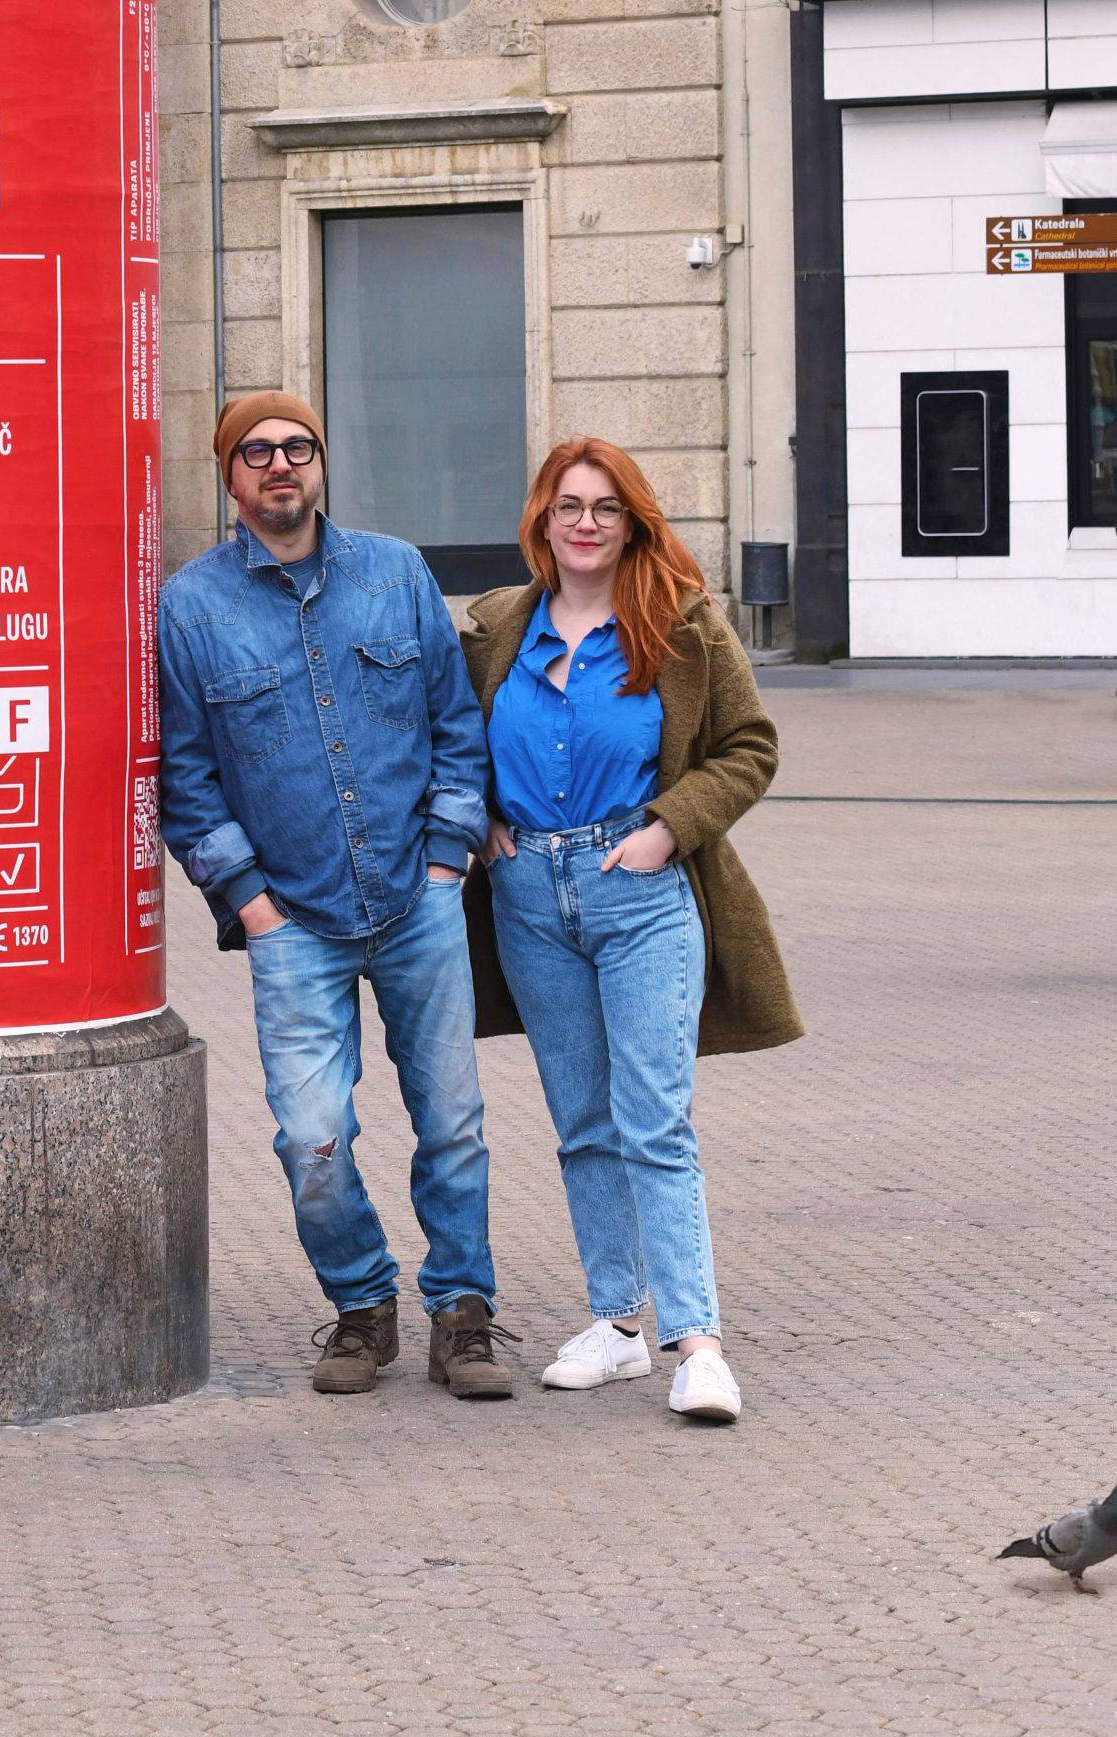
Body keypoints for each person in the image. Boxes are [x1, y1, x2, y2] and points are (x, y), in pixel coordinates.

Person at [158, 389, 509, 1400]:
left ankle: (463, 1315)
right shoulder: (193, 606)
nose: (281, 465)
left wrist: (447, 860)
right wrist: (252, 906)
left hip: (416, 899)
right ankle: (362, 1306)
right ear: (228, 479)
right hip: (293, 924)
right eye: (257, 452)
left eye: (298, 448)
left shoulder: (396, 573)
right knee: (311, 1135)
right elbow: (185, 776)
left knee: (451, 1122)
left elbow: (454, 722)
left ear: (321, 464)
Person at [463, 437, 801, 1425]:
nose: (585, 524)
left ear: (634, 523)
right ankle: (616, 1325)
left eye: (606, 508)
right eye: (568, 505)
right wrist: (479, 820)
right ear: (541, 518)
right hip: (531, 898)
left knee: (654, 1117)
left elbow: (750, 748)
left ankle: (697, 1344)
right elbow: (451, 740)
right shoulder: (493, 629)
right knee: (583, 1123)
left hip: (640, 891)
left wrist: (668, 830)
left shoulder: (684, 627)